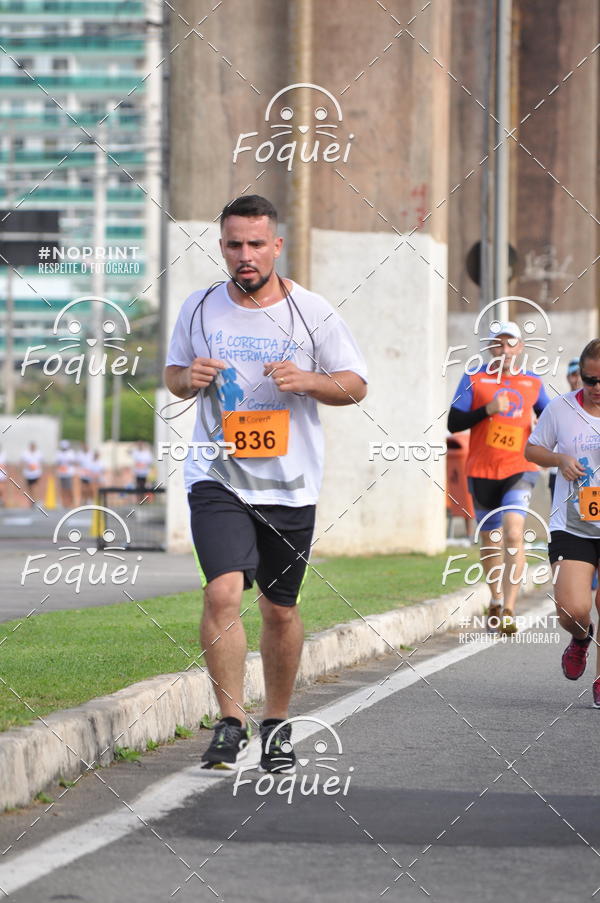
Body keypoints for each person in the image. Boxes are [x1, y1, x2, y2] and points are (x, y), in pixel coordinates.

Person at [164, 194, 368, 771]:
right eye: (234, 244)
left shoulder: (313, 313)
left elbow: (355, 385)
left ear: (276, 246)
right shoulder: (200, 307)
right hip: (218, 474)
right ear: (222, 246)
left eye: (256, 244)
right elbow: (174, 375)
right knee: (223, 592)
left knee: (280, 609)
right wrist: (187, 377)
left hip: (290, 483)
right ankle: (229, 723)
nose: (245, 255)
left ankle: (276, 724)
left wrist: (308, 380)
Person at [448, 322, 550, 634]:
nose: (504, 350)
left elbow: (550, 416)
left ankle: (508, 608)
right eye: (498, 344)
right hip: (481, 470)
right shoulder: (474, 378)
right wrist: (487, 409)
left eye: (510, 344)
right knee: (490, 540)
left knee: (514, 533)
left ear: (520, 347)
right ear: (490, 347)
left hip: (519, 468)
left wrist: (542, 431)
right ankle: (494, 598)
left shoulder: (532, 382)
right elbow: (454, 422)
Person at [525, 339, 600, 706]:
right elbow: (531, 448)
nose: (597, 387)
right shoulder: (560, 409)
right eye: (590, 379)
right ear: (580, 376)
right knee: (574, 609)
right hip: (571, 524)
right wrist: (559, 459)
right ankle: (582, 638)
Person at [548, 359, 582, 500]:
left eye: (583, 374)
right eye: (574, 374)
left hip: (591, 475)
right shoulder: (556, 406)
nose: (579, 379)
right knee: (560, 520)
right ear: (568, 377)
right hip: (560, 475)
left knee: (591, 520)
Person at [21, 441, 43, 507]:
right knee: (29, 488)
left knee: (35, 487)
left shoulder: (39, 453)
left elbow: (41, 463)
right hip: (28, 474)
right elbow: (22, 463)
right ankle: (31, 501)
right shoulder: (25, 453)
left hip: (36, 473)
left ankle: (35, 500)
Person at [55, 439, 75, 509]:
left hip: (68, 473)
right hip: (61, 473)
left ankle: (70, 502)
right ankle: (63, 503)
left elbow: (73, 462)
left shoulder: (71, 453)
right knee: (62, 488)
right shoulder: (58, 453)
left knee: (69, 488)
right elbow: (57, 463)